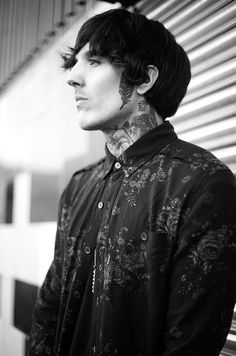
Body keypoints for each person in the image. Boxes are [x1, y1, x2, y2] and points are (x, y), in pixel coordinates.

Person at [28, 8, 236, 356]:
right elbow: (49, 309)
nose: (73, 78)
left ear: (144, 80)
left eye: (94, 61)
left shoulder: (201, 182)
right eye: (75, 62)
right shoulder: (80, 185)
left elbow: (190, 344)